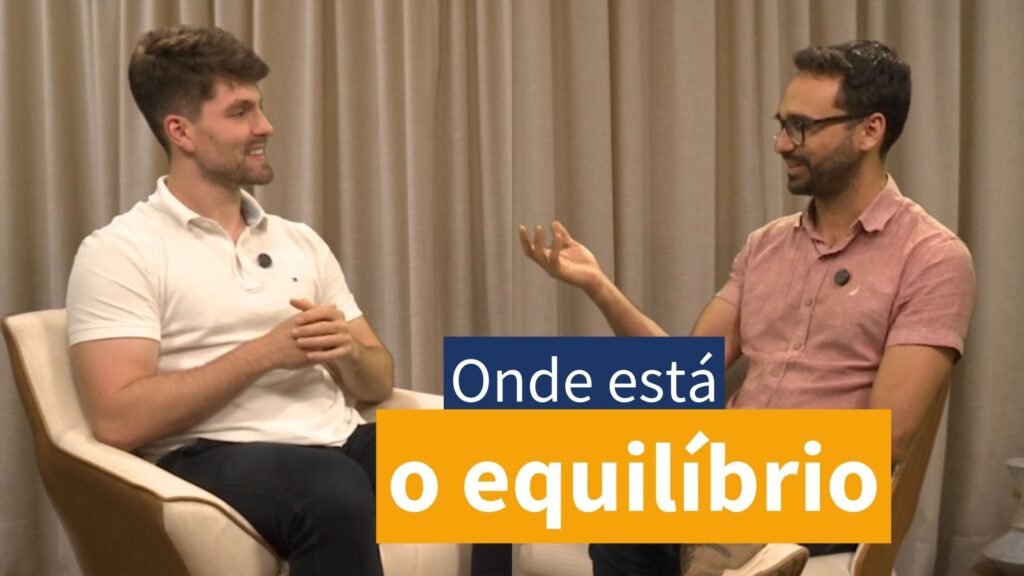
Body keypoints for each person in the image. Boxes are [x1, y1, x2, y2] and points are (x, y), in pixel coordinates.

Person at [519, 40, 976, 576]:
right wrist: (599, 286)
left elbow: (888, 436)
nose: (782, 144)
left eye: (802, 128)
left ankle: (728, 544)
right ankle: (725, 548)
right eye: (782, 125)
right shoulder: (766, 246)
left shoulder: (931, 257)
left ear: (870, 130)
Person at [66, 25, 393, 576]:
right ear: (182, 131)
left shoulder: (299, 240)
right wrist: (264, 354)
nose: (265, 126)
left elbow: (378, 381)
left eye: (259, 107)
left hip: (338, 441)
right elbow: (117, 419)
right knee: (332, 489)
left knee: (486, 459)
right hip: (208, 453)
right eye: (241, 112)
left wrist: (348, 354)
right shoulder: (121, 250)